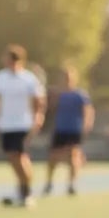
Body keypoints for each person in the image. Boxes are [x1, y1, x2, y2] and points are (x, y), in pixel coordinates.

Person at [0, 45, 45, 207]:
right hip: (5, 124)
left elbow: (38, 100)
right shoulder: (0, 77)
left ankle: (26, 191)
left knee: (19, 155)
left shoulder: (28, 78)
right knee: (12, 157)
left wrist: (38, 117)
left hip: (22, 123)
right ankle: (21, 188)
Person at [42, 65, 94, 197]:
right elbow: (49, 109)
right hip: (60, 128)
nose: (66, 80)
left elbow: (88, 111)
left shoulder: (80, 94)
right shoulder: (58, 94)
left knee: (73, 156)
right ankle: (49, 183)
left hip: (74, 129)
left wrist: (86, 125)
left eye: (69, 77)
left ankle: (71, 184)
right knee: (53, 157)